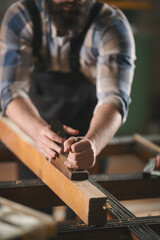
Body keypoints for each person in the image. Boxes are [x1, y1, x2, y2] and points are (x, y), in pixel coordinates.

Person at [0, 0, 136, 172]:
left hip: (91, 126)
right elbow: (10, 90)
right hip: (34, 124)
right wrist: (39, 132)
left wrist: (93, 143)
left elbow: (115, 97)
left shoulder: (112, 25)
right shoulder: (21, 16)